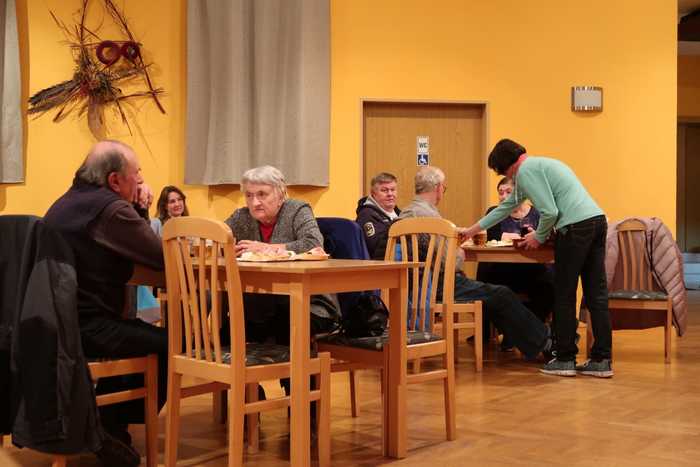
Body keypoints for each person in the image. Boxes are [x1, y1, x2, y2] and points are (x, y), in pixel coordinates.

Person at [44, 140, 168, 466]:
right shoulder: (111, 209)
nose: (140, 181)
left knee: (136, 333)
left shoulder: (65, 202)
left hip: (51, 323)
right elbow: (160, 257)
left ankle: (103, 421)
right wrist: (139, 207)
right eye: (137, 174)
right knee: (171, 345)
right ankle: (107, 425)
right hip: (87, 327)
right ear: (114, 180)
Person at [462, 138, 613, 377]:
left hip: (574, 227)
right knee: (597, 294)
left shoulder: (525, 171)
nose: (506, 177)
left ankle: (565, 358)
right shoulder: (539, 165)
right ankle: (601, 360)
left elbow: (550, 212)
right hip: (596, 221)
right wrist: (471, 231)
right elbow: (504, 208)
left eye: (502, 172)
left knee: (563, 293)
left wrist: (538, 237)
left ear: (507, 166)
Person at [399, 166, 551, 360]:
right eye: (443, 188)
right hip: (438, 284)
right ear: (438, 188)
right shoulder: (430, 218)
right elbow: (450, 264)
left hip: (416, 284)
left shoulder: (406, 213)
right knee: (501, 294)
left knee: (495, 295)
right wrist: (459, 253)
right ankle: (545, 343)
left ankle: (531, 341)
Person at [224, 165, 341, 344]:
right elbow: (214, 237)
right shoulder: (242, 216)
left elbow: (314, 243)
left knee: (278, 323)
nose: (254, 203)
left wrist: (266, 248)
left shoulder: (296, 210)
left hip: (308, 302)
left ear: (280, 195)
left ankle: (295, 364)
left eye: (262, 194)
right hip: (263, 303)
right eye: (249, 195)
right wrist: (225, 248)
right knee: (231, 323)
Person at [477, 178, 554, 325]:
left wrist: (537, 237)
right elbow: (490, 236)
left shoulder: (538, 214)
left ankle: (533, 327)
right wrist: (505, 236)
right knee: (487, 276)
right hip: (503, 269)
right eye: (500, 192)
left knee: (549, 284)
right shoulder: (494, 212)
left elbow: (547, 238)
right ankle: (502, 329)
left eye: (508, 192)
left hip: (532, 268)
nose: (503, 196)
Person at [356, 172, 401, 260]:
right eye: (384, 190)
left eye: (393, 190)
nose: (390, 194)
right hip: (382, 263)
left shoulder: (400, 214)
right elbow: (375, 246)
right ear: (373, 193)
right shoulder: (366, 215)